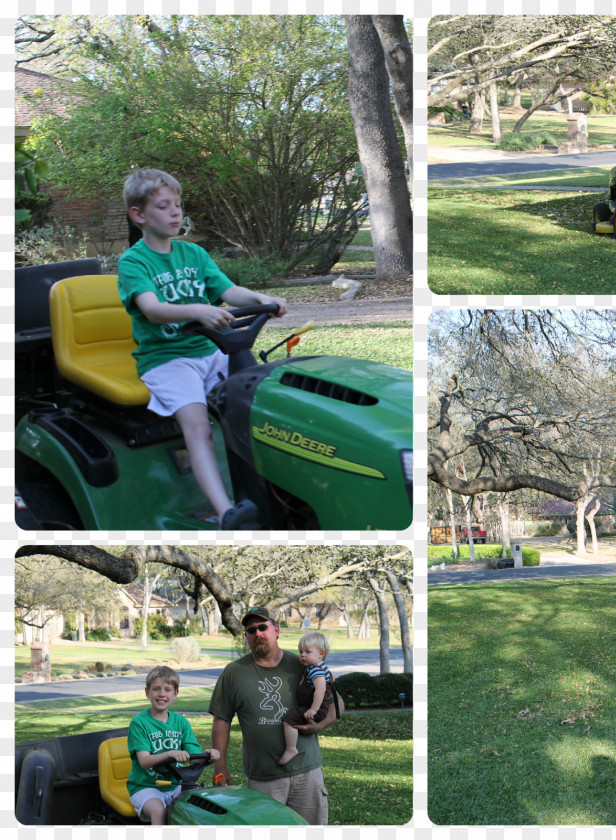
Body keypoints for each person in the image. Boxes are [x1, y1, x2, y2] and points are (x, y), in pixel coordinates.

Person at [118, 168, 287, 530]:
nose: (176, 213)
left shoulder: (193, 254)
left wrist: (262, 298)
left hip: (212, 350)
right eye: (164, 206)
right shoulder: (134, 262)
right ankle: (226, 510)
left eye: (178, 205)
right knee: (197, 426)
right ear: (139, 215)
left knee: (263, 401)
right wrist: (196, 309)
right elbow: (152, 309)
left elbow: (229, 293)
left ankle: (278, 491)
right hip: (167, 359)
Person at [208, 606, 343, 825]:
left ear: (277, 630)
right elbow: (221, 721)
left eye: (263, 627)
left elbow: (338, 704)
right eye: (251, 630)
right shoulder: (233, 673)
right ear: (246, 637)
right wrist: (220, 766)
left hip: (307, 772)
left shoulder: (303, 664)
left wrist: (317, 726)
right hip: (264, 778)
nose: (257, 633)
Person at [126, 665, 220, 825]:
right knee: (159, 812)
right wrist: (169, 753)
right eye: (156, 689)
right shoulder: (139, 723)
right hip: (146, 787)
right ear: (147, 692)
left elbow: (193, 758)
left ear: (175, 694)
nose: (162, 694)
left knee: (201, 805)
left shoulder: (181, 722)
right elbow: (144, 761)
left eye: (167, 689)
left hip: (175, 784)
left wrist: (208, 755)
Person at [279, 631, 340, 766]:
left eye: (307, 652)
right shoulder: (321, 667)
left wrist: (313, 709)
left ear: (321, 654)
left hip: (315, 709)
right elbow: (331, 679)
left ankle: (291, 749)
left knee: (289, 718)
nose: (302, 655)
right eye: (300, 652)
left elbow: (321, 690)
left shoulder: (315, 670)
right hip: (314, 707)